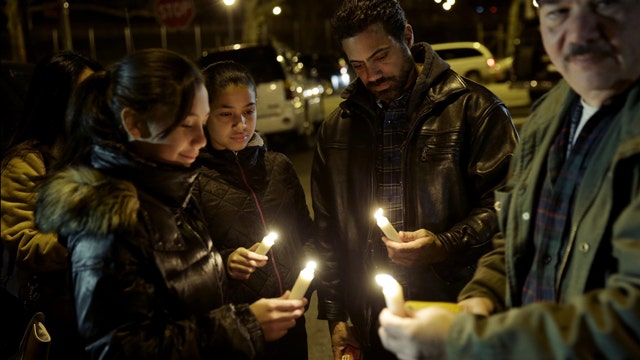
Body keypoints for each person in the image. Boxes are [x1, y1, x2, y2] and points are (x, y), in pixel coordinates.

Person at [378, 0, 640, 358]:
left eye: (605, 6)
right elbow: (517, 231)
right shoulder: (550, 114)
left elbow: (630, 321)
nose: (579, 33)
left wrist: (464, 340)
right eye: (558, 11)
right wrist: (483, 294)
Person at [32, 48, 307, 359]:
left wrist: (226, 268)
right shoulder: (109, 217)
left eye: (201, 123)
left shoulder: (172, 194)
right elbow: (119, 346)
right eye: (187, 124)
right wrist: (243, 326)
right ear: (135, 124)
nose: (201, 139)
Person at [311, 0, 519, 358]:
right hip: (371, 321)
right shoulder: (337, 129)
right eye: (357, 65)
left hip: (452, 312)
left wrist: (444, 244)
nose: (371, 75)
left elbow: (508, 207)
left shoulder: (475, 110)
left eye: (380, 57)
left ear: (407, 36)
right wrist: (338, 316)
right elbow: (328, 233)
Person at [193, 60, 314, 359]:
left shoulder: (279, 167)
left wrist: (305, 288)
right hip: (236, 331)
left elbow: (307, 235)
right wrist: (225, 262)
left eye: (249, 111)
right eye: (227, 114)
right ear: (205, 115)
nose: (242, 124)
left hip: (291, 321)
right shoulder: (193, 180)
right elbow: (187, 267)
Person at [0, 50, 101, 359]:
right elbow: (23, 242)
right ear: (58, 101)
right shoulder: (27, 163)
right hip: (61, 319)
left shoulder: (100, 152)